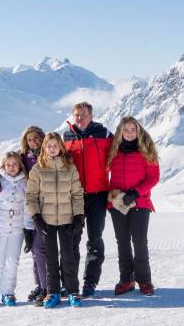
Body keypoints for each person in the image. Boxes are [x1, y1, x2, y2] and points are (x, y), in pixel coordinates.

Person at [0, 126, 48, 306]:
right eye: (30, 139)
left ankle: (50, 286)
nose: (34, 142)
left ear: (43, 138)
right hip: (31, 210)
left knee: (43, 250)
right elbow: (7, 165)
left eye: (37, 138)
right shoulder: (23, 158)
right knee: (36, 251)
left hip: (50, 207)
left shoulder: (50, 153)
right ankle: (40, 285)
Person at [26, 132, 85, 308]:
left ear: (60, 146)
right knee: (50, 257)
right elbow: (31, 195)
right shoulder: (37, 169)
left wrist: (78, 216)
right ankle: (53, 292)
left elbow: (76, 193)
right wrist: (36, 217)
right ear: (44, 148)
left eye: (55, 145)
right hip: (47, 221)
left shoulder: (70, 167)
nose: (52, 149)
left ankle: (73, 291)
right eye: (48, 146)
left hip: (67, 219)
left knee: (68, 256)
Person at [63, 102, 112, 297]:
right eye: (76, 115)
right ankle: (69, 282)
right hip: (74, 196)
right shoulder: (67, 137)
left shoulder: (104, 134)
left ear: (91, 115)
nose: (79, 118)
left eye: (83, 115)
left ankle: (90, 282)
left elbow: (123, 152)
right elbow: (49, 160)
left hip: (98, 195)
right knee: (72, 240)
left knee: (95, 239)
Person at [107, 116, 159, 296]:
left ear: (138, 131)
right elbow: (102, 172)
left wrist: (135, 192)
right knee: (122, 242)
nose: (129, 133)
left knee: (139, 242)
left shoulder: (146, 151)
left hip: (140, 202)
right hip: (118, 203)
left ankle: (145, 280)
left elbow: (153, 177)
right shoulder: (113, 152)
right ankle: (126, 280)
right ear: (120, 132)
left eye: (132, 130)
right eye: (126, 130)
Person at [0, 152, 33, 308]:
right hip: (0, 228)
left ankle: (8, 293)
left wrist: (28, 229)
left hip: (17, 228)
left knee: (13, 262)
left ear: (20, 165)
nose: (11, 167)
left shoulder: (25, 182)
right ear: (3, 166)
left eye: (14, 164)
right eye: (8, 164)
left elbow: (27, 207)